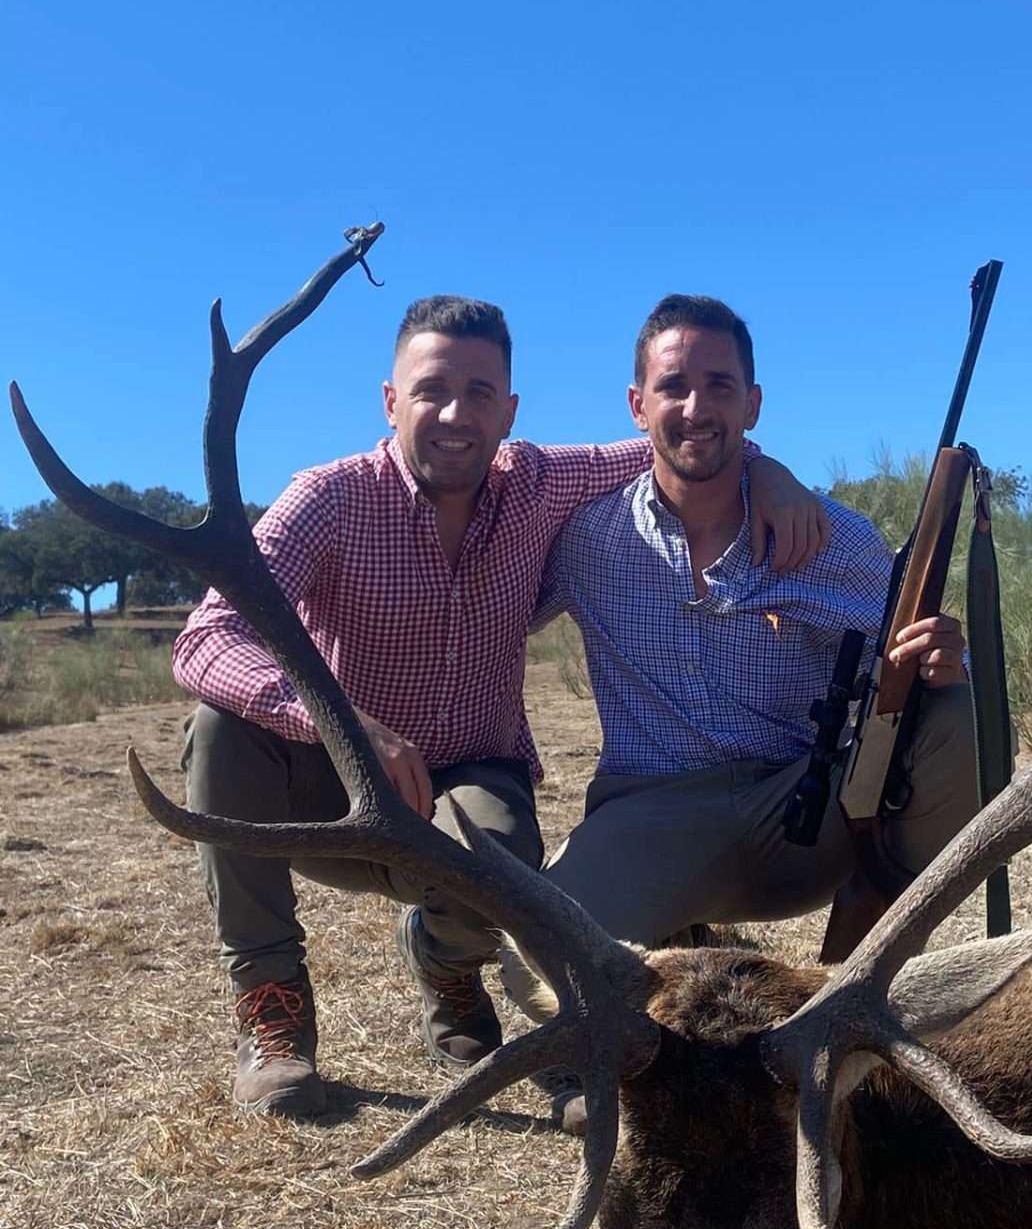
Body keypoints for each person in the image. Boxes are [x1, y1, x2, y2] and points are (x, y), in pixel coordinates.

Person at [174, 294, 825, 1118]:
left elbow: (681, 437)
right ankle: (274, 1018)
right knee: (219, 730)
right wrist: (343, 726)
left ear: (509, 410)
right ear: (389, 400)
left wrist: (770, 470)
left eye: (481, 393)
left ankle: (449, 966)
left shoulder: (541, 482)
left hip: (466, 778)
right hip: (327, 782)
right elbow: (206, 638)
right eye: (432, 390)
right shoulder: (328, 499)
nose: (456, 414)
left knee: (505, 857)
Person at [531, 292, 979, 964]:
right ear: (636, 405)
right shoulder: (586, 540)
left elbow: (898, 679)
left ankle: (885, 953)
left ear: (753, 404)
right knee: (542, 956)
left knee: (954, 717)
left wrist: (941, 664)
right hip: (650, 817)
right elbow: (480, 611)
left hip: (799, 814)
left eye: (719, 386)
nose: (695, 408)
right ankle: (662, 949)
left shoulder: (835, 539)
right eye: (673, 387)